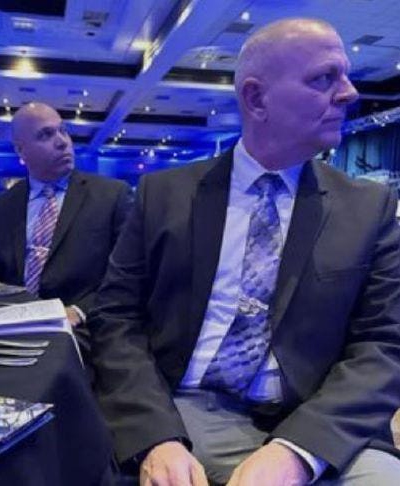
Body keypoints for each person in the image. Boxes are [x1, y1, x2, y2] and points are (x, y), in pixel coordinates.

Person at [88, 18, 400, 485]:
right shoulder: (164, 195)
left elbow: (384, 344)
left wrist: (297, 451)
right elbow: (116, 319)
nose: (350, 92)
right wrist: (156, 436)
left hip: (320, 416)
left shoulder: (369, 207)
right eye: (324, 78)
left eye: (346, 75)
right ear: (256, 98)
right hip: (187, 409)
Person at [0, 102, 132, 333]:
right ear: (21, 150)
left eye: (63, 131)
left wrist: (80, 310)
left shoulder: (112, 196)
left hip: (83, 327)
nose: (62, 142)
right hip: (12, 327)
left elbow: (127, 276)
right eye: (46, 135)